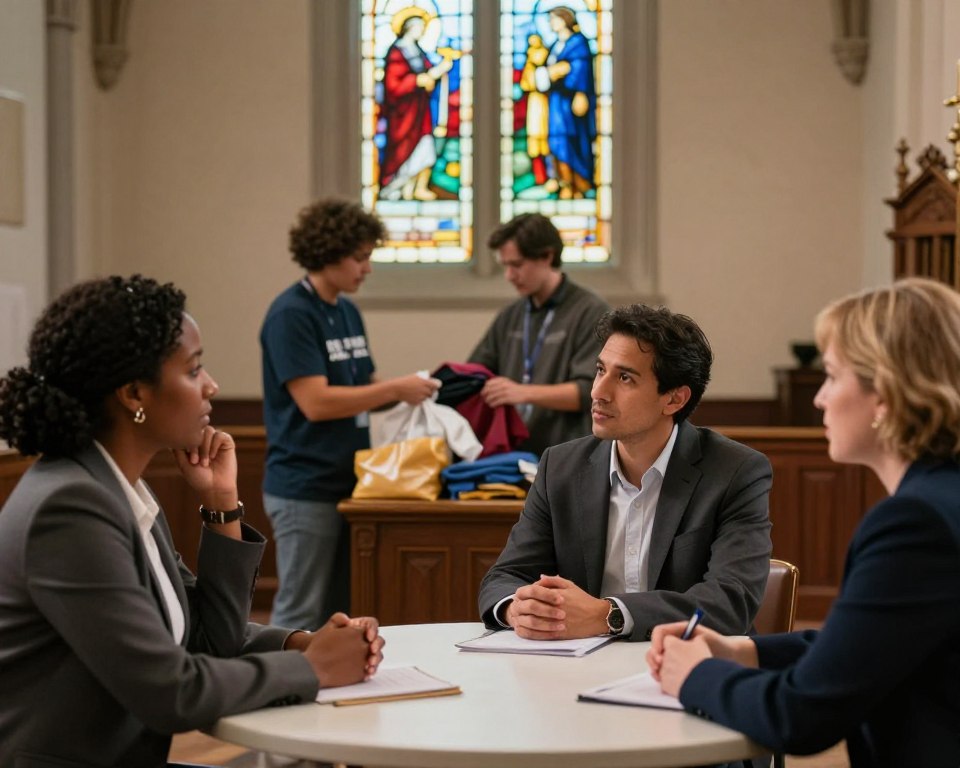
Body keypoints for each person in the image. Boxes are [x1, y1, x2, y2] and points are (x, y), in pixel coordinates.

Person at [0, 275, 385, 767]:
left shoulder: (118, 486)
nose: (212, 385)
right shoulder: (70, 507)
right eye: (194, 369)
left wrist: (223, 505)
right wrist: (311, 668)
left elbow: (207, 636)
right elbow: (169, 692)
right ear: (135, 393)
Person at [648, 278, 960, 767]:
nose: (819, 398)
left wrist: (694, 676)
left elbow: (802, 715)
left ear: (886, 393)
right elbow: (869, 645)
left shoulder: (915, 523)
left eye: (832, 376)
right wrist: (741, 650)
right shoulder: (943, 500)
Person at [478, 303, 773, 641]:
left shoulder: (736, 472)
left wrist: (609, 615)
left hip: (689, 668)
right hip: (576, 669)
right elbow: (505, 576)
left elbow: (729, 603)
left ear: (674, 400)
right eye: (600, 370)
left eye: (624, 378)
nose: (598, 392)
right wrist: (518, 607)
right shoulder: (559, 466)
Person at [260, 199, 439, 630]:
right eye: (359, 258)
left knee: (338, 609)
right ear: (328, 253)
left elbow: (364, 390)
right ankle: (278, 689)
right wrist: (397, 387)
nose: (367, 268)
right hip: (304, 485)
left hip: (348, 482)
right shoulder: (291, 314)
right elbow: (316, 403)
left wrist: (427, 388)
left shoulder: (346, 310)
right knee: (299, 613)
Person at [467, 213, 609, 455]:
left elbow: (591, 392)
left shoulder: (590, 312)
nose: (509, 275)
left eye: (517, 265)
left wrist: (523, 392)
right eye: (506, 266)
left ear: (547, 256)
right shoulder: (510, 316)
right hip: (513, 454)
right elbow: (475, 373)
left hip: (568, 453)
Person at [379, 7, 454, 201]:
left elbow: (429, 75)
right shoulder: (397, 51)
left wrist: (440, 70)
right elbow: (393, 85)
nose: (422, 31)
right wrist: (417, 81)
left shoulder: (418, 51)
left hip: (421, 111)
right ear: (409, 27)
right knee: (405, 149)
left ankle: (417, 188)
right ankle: (401, 187)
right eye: (420, 27)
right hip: (403, 114)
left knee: (425, 147)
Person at [539, 6, 597, 199]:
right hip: (556, 100)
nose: (550, 23)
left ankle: (579, 183)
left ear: (564, 20)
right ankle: (563, 180)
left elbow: (581, 67)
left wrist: (580, 92)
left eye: (553, 19)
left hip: (572, 99)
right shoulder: (556, 44)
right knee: (557, 139)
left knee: (573, 138)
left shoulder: (577, 42)